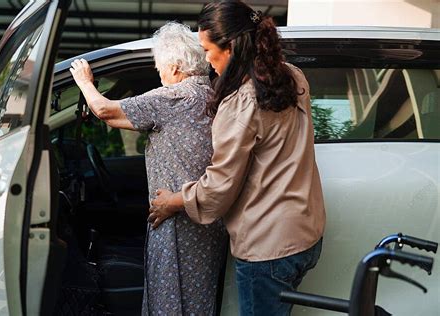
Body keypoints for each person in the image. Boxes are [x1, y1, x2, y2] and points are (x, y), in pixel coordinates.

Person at [149, 1, 326, 315]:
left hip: (267, 248)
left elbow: (218, 188)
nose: (205, 60)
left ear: (230, 47)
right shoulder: (294, 77)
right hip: (307, 235)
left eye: (206, 50)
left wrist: (173, 201)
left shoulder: (240, 102)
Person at [69, 22, 227, 315]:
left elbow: (106, 111)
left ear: (177, 67)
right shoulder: (212, 96)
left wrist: (84, 81)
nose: (161, 75)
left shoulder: (174, 96)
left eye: (160, 68)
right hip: (208, 221)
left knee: (170, 303)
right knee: (198, 300)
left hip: (177, 220)